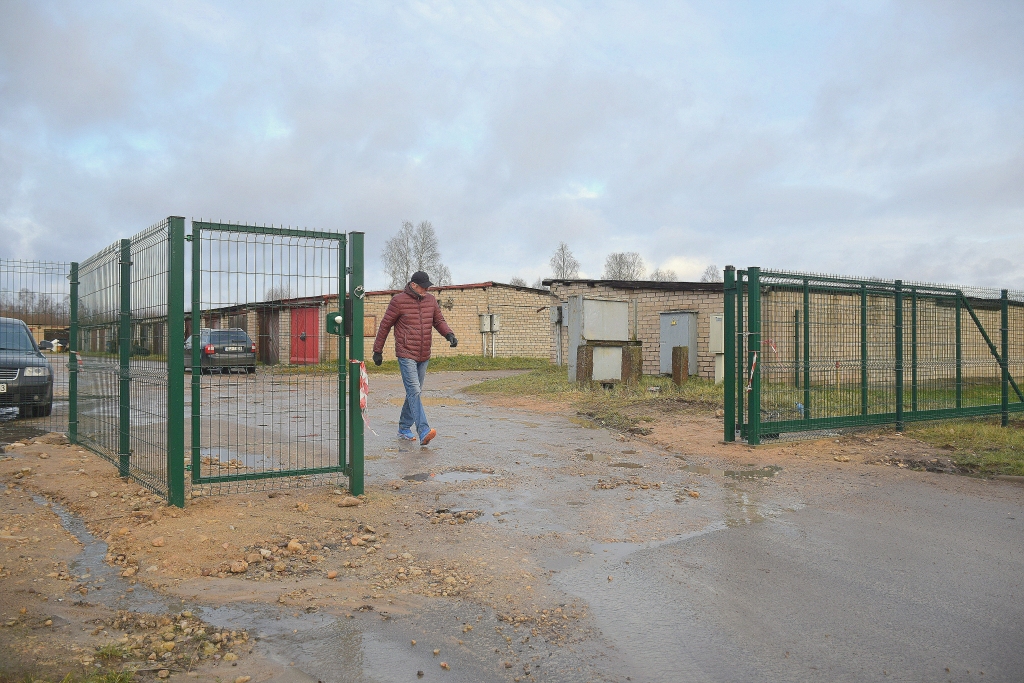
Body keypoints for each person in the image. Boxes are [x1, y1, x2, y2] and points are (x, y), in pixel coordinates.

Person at [372, 271, 458, 445]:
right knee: (414, 391)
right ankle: (423, 430)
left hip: (424, 354)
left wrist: (448, 334)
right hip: (406, 353)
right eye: (423, 287)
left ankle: (404, 428)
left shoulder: (431, 300)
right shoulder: (398, 301)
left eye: (427, 287)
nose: (426, 290)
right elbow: (385, 325)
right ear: (413, 285)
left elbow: (438, 321)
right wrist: (377, 350)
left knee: (414, 393)